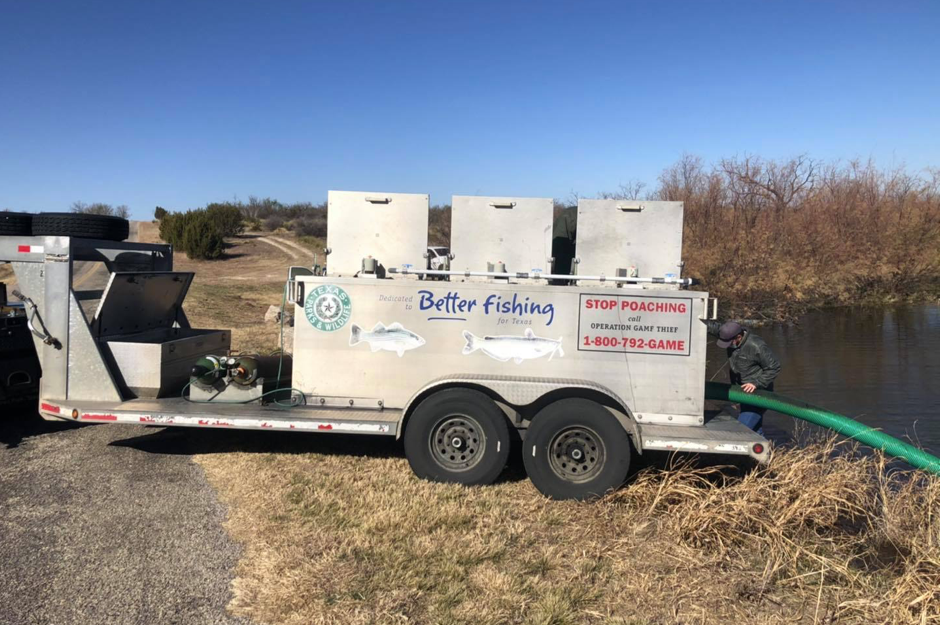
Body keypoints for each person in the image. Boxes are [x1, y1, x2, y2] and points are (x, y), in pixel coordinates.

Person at [704, 320, 781, 434]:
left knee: (740, 430)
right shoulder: (729, 334)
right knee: (754, 430)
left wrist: (756, 382)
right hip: (742, 392)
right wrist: (695, 319)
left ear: (739, 337)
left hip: (758, 394)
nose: (728, 345)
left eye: (729, 342)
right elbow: (714, 328)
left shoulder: (756, 345)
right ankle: (766, 451)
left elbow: (774, 367)